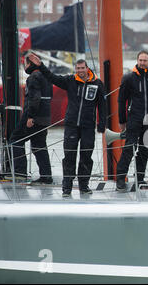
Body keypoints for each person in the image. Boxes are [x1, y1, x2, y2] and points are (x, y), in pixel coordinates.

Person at [28, 53, 107, 197]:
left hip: (88, 126)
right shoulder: (70, 80)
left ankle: (84, 186)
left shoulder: (97, 83)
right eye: (77, 68)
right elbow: (52, 78)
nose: (80, 71)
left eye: (82, 68)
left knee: (86, 157)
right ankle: (67, 188)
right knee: (69, 157)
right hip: (71, 125)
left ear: (87, 68)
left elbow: (102, 105)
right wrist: (41, 66)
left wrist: (102, 124)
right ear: (75, 69)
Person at [116, 51, 148, 192]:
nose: (142, 62)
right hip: (134, 118)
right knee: (129, 148)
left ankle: (140, 178)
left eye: (145, 60)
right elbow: (121, 101)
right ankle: (120, 178)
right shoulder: (129, 78)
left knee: (145, 150)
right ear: (137, 60)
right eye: (140, 60)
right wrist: (122, 120)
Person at [6, 56, 53, 184]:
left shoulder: (33, 77)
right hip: (45, 118)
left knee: (15, 140)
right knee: (39, 145)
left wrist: (30, 116)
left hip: (33, 117)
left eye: (25, 64)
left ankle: (20, 173)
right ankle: (46, 176)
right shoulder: (46, 78)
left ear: (30, 65)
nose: (25, 67)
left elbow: (35, 98)